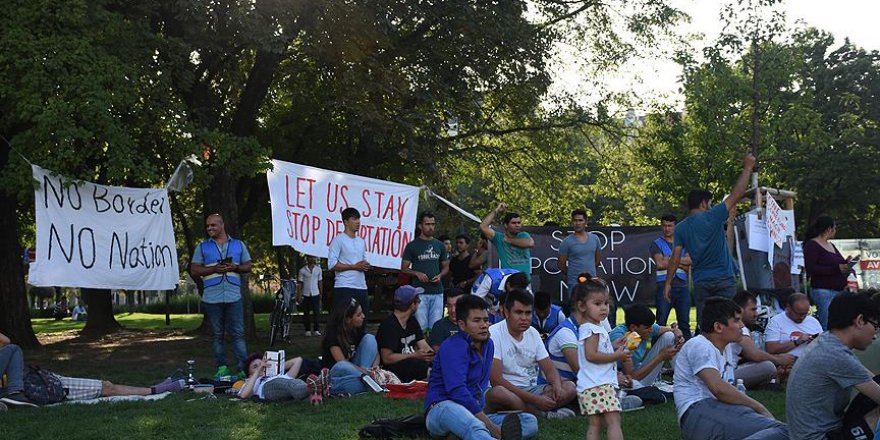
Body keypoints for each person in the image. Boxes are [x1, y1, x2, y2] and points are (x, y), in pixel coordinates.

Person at [424, 294, 538, 440]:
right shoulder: (453, 347)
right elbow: (457, 392)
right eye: (476, 321)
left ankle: (460, 434)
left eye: (485, 320)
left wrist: (484, 418)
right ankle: (475, 432)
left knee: (529, 421)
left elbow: (481, 387)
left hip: (472, 411)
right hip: (442, 408)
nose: (484, 325)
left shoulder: (488, 345)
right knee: (475, 425)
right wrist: (490, 426)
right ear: (461, 325)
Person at [673, 297, 789, 440]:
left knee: (776, 430)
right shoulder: (699, 345)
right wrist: (758, 407)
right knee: (783, 431)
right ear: (718, 327)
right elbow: (719, 389)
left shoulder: (726, 347)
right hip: (698, 412)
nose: (741, 326)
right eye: (736, 320)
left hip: (716, 411)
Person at [664, 153, 756, 327]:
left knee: (705, 322)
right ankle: (724, 353)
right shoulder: (713, 216)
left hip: (701, 281)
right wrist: (748, 167)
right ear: (704, 203)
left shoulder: (681, 228)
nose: (711, 206)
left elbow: (675, 258)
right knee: (728, 321)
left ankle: (704, 350)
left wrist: (668, 283)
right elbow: (737, 194)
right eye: (710, 203)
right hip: (724, 278)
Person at [0, 332, 183, 407]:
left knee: (106, 386)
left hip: (35, 381)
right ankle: (157, 390)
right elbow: (7, 342)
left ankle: (155, 388)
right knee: (106, 387)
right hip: (35, 386)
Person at [786, 293, 880, 440]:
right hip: (819, 437)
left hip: (813, 432)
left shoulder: (827, 342)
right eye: (875, 326)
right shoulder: (834, 354)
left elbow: (872, 379)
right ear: (860, 321)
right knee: (876, 411)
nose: (875, 335)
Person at [485, 289, 577, 419]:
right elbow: (497, 381)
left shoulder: (533, 333)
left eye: (528, 313)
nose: (524, 318)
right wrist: (535, 400)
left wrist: (556, 385)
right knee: (497, 394)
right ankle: (542, 413)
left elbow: (549, 368)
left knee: (570, 387)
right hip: (507, 390)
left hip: (532, 389)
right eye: (518, 312)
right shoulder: (494, 333)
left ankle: (528, 410)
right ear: (506, 312)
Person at [189, 213, 252, 377]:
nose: (209, 228)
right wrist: (213, 269)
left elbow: (248, 266)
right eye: (208, 226)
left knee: (238, 333)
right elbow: (194, 269)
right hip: (212, 297)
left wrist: (235, 268)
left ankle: (243, 369)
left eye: (213, 225)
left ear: (222, 225)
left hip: (234, 296)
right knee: (217, 335)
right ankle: (222, 368)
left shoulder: (239, 245)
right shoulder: (202, 247)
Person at [577, 276, 630, 440]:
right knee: (613, 421)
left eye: (606, 303)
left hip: (589, 384)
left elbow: (598, 349)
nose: (604, 308)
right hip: (599, 384)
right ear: (582, 306)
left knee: (596, 423)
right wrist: (618, 355)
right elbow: (591, 355)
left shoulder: (592, 327)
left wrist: (613, 345)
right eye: (597, 304)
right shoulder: (593, 330)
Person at [608, 304, 683, 389]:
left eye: (651, 327)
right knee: (635, 385)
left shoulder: (644, 327)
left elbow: (671, 330)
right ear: (633, 327)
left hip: (636, 372)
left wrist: (677, 332)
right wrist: (660, 357)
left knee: (669, 336)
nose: (651, 330)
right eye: (647, 328)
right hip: (624, 380)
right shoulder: (621, 338)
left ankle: (683, 379)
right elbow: (632, 376)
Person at [730, 291, 795, 389]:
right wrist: (779, 360)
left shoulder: (731, 324)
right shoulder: (740, 328)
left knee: (768, 363)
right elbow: (755, 355)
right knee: (768, 366)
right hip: (726, 376)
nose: (756, 314)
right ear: (740, 310)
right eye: (753, 309)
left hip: (725, 371)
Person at [401, 211, 450, 331]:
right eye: (427, 224)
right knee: (421, 326)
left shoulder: (439, 245)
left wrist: (440, 275)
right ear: (420, 225)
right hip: (419, 292)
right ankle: (422, 349)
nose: (430, 227)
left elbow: (446, 267)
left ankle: (434, 350)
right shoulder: (412, 246)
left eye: (432, 224)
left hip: (437, 291)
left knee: (436, 326)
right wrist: (416, 273)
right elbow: (404, 268)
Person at [320, 298, 379, 395]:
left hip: (357, 372)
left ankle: (368, 381)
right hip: (337, 375)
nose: (363, 316)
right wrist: (364, 373)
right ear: (348, 319)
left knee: (370, 339)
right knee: (342, 366)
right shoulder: (333, 335)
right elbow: (342, 363)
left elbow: (374, 351)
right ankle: (368, 382)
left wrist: (375, 369)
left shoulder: (355, 329)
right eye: (359, 315)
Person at [376, 285, 434, 382]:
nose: (419, 302)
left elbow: (423, 345)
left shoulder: (412, 321)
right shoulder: (389, 325)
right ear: (412, 305)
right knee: (416, 364)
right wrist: (414, 355)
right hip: (394, 368)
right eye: (418, 300)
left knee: (436, 362)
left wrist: (434, 356)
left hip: (412, 360)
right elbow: (387, 358)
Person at [803, 215, 851, 330]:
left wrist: (847, 263)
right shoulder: (812, 245)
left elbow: (838, 263)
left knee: (840, 322)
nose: (835, 231)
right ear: (829, 229)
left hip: (838, 290)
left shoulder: (831, 245)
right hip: (824, 290)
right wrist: (836, 268)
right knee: (828, 323)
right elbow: (811, 268)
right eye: (834, 228)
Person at [651, 214, 692, 339]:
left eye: (670, 226)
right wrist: (681, 262)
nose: (667, 229)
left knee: (684, 323)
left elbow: (690, 262)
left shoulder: (684, 244)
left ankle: (687, 351)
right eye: (664, 225)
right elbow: (660, 263)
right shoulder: (656, 244)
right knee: (661, 322)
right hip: (664, 286)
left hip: (682, 286)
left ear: (675, 227)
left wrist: (670, 259)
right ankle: (656, 352)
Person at [328, 207, 371, 318]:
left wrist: (365, 265)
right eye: (354, 219)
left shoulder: (361, 241)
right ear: (345, 222)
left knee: (362, 321)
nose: (358, 222)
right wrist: (354, 266)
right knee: (344, 322)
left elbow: (362, 261)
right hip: (344, 286)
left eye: (358, 219)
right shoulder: (338, 240)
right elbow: (332, 265)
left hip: (362, 286)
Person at [238, 352, 329, 402]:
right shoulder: (251, 381)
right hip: (268, 388)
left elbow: (298, 360)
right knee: (288, 384)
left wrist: (275, 366)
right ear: (249, 374)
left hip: (287, 382)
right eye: (255, 366)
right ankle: (317, 385)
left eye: (261, 364)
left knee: (295, 382)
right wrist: (257, 372)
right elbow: (244, 395)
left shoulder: (278, 375)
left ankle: (316, 392)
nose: (260, 366)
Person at [558, 209, 602, 306]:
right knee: (575, 309)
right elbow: (561, 264)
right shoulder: (566, 242)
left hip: (592, 283)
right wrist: (572, 273)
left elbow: (598, 260)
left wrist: (589, 272)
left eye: (580, 220)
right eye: (575, 220)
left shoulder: (595, 239)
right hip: (574, 283)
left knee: (592, 309)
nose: (577, 223)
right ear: (572, 222)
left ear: (585, 222)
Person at [480, 203, 534, 280]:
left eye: (519, 223)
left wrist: (509, 240)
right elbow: (483, 226)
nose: (517, 225)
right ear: (505, 225)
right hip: (508, 282)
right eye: (514, 223)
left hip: (525, 282)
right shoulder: (498, 238)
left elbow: (530, 243)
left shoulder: (524, 235)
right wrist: (497, 210)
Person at [764, 293, 823, 359]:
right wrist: (796, 342)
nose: (802, 317)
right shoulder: (776, 321)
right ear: (788, 307)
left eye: (805, 314)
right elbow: (770, 349)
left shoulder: (813, 321)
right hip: (788, 363)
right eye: (798, 314)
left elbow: (824, 344)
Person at [298, 255, 324, 337]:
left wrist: (321, 293)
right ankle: (307, 330)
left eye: (313, 257)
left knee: (316, 312)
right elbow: (300, 284)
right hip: (306, 293)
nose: (312, 259)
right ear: (307, 258)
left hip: (315, 292)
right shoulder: (302, 270)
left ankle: (316, 329)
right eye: (310, 257)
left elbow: (320, 282)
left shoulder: (318, 270)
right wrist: (299, 295)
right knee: (306, 313)